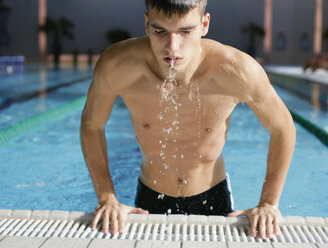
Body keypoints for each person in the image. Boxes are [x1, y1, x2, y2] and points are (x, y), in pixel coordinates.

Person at [80, 0, 296, 240]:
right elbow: (92, 123)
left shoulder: (236, 71)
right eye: (160, 31)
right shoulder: (117, 66)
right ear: (146, 24)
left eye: (185, 31)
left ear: (204, 24)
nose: (172, 46)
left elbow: (283, 127)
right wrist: (107, 198)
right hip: (150, 197)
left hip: (213, 197)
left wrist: (268, 203)